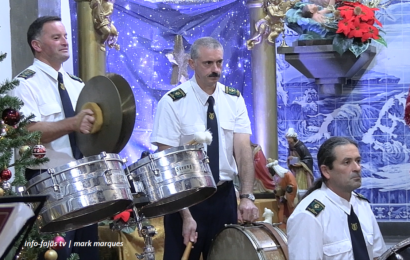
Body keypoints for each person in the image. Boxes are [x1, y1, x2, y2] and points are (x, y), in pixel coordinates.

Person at [150, 37, 259, 260]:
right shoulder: (172, 102)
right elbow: (167, 163)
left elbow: (243, 151)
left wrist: (247, 196)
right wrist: (186, 215)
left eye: (219, 63)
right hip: (188, 198)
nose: (215, 69)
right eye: (208, 63)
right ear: (191, 64)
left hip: (224, 197)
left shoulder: (234, 99)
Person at [9, 16, 98, 260]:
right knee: (55, 255)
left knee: (87, 254)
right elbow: (25, 134)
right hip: (48, 182)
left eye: (65, 36)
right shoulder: (24, 84)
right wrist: (72, 123)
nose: (64, 42)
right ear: (37, 45)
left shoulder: (76, 84)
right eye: (56, 37)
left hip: (83, 181)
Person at [287, 137, 386, 260]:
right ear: (326, 171)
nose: (357, 168)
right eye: (347, 162)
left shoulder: (362, 205)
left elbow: (378, 255)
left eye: (358, 161)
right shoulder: (309, 215)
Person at [266, 159, 297, 230]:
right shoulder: (276, 176)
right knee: (281, 210)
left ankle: (292, 225)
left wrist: (286, 192)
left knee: (290, 210)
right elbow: (277, 186)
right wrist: (277, 192)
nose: (269, 172)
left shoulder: (287, 174)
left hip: (288, 196)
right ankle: (282, 225)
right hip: (282, 197)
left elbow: (293, 185)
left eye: (270, 170)